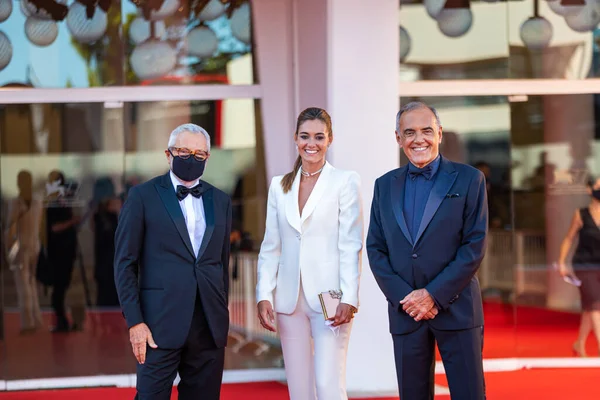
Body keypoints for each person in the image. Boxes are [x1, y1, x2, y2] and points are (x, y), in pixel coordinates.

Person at [367, 102, 488, 400]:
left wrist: (433, 295)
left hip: (457, 308)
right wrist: (406, 299)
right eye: (409, 132)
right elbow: (375, 248)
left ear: (440, 133)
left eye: (426, 131)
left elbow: (474, 246)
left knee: (469, 394)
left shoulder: (470, 179)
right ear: (398, 138)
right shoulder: (383, 186)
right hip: (406, 312)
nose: (418, 139)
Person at [114, 123, 232, 400]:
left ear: (207, 158)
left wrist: (220, 313)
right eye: (183, 151)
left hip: (208, 326)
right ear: (168, 154)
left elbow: (221, 263)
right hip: (158, 325)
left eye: (199, 154)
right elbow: (124, 263)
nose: (191, 158)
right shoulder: (142, 196)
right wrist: (135, 322)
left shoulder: (221, 200)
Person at [256, 107, 363, 400]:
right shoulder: (279, 185)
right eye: (305, 136)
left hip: (331, 296)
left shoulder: (345, 181)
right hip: (289, 299)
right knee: (299, 388)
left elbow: (351, 244)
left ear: (330, 139)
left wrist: (350, 297)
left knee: (328, 383)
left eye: (318, 136)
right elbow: (271, 245)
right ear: (295, 138)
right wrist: (263, 293)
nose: (311, 143)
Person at [558, 176, 600, 357]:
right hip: (584, 265)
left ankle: (579, 343)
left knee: (589, 307)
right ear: (589, 190)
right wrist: (561, 262)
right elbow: (568, 239)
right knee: (596, 305)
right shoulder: (581, 214)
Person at [4, 170, 44, 334]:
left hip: (22, 247)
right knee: (32, 283)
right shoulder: (37, 202)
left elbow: (9, 226)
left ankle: (28, 322)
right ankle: (36, 318)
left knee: (23, 285)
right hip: (35, 244)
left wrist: (8, 249)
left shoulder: (16, 202)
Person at [45, 170, 80, 333]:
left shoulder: (63, 202)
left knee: (62, 287)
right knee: (58, 289)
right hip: (58, 253)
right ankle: (61, 321)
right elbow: (54, 227)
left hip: (66, 251)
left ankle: (63, 321)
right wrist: (72, 221)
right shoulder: (53, 204)